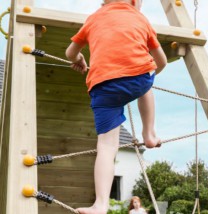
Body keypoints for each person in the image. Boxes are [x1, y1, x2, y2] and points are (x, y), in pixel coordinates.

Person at [65, 0, 167, 213]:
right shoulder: (140, 18)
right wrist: (148, 73)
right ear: (135, 2)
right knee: (147, 73)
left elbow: (70, 53)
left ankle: (100, 205)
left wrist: (80, 59)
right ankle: (149, 133)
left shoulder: (93, 18)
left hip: (102, 87)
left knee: (106, 147)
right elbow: (162, 61)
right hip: (138, 80)